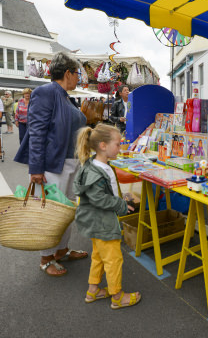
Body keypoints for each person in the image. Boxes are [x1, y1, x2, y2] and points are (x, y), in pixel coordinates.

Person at [14, 51, 88, 277]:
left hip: (69, 162)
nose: (79, 79)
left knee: (65, 212)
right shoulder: (45, 92)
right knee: (50, 212)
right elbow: (36, 132)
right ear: (67, 73)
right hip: (52, 166)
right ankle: (46, 258)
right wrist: (35, 169)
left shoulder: (64, 96)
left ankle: (61, 250)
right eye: (77, 74)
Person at [73, 123, 141, 308]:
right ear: (103, 146)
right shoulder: (100, 170)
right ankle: (117, 296)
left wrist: (119, 198)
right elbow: (99, 198)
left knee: (99, 255)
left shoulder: (95, 165)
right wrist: (120, 204)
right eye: (118, 144)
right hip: (102, 221)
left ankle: (93, 290)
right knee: (113, 259)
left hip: (95, 221)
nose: (121, 147)